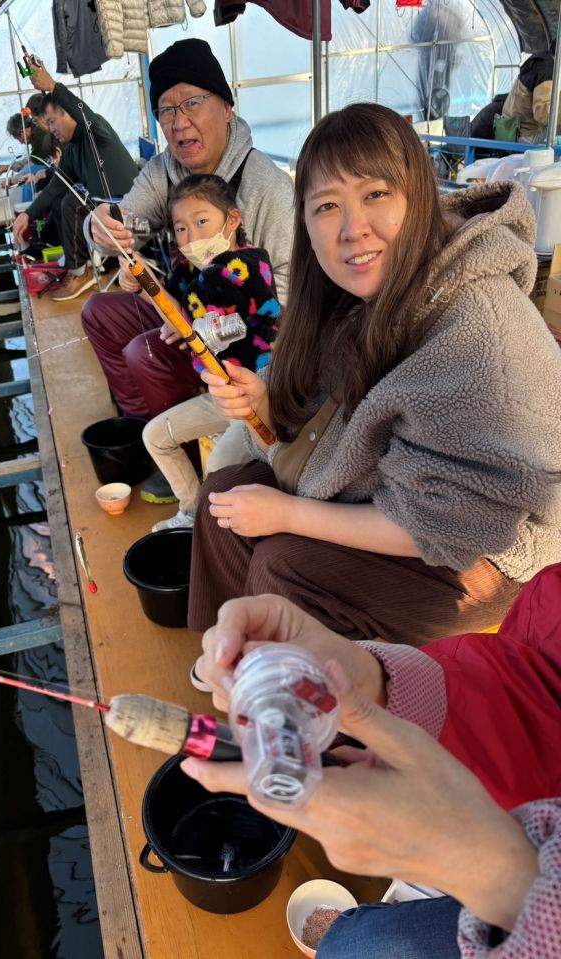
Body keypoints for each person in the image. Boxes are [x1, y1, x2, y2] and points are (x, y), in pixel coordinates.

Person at [188, 102, 561, 646]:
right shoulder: (355, 296)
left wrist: (289, 513)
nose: (352, 229)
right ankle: (226, 653)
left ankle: (282, 692)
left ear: (418, 195)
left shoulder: (480, 335)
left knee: (284, 565)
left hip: (489, 553)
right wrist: (263, 404)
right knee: (222, 496)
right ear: (304, 222)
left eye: (376, 194)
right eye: (327, 205)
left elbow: (453, 521)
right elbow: (332, 424)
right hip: (396, 493)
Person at [184, 578, 561, 957]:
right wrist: (375, 681)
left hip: (522, 893)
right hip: (522, 823)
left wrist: (488, 870)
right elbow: (535, 686)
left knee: (353, 947)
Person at [81, 38, 294, 503]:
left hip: (247, 338)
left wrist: (209, 326)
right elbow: (126, 219)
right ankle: (147, 429)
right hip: (187, 305)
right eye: (166, 111)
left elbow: (289, 290)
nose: (179, 123)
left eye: (192, 103)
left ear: (227, 108)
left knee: (145, 352)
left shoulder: (267, 187)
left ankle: (189, 456)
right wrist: (101, 227)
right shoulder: (163, 171)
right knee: (99, 311)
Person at [133, 174, 280, 532]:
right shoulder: (193, 272)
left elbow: (195, 322)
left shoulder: (244, 267)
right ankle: (190, 512)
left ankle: (211, 529)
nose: (192, 237)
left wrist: (152, 290)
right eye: (181, 229)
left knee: (217, 473)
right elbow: (175, 315)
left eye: (201, 222)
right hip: (222, 394)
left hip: (257, 397)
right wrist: (141, 283)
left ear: (232, 220)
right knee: (155, 436)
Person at [11, 60, 139, 301]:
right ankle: (77, 265)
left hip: (132, 211)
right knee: (63, 199)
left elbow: (84, 113)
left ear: (69, 114)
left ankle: (80, 271)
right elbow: (54, 188)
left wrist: (53, 86)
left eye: (51, 121)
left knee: (72, 202)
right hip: (106, 213)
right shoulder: (71, 151)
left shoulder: (96, 130)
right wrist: (27, 215)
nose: (50, 129)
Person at [501, 40, 559, 143]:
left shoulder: (539, 60)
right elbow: (542, 115)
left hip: (509, 130)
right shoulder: (548, 70)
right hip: (526, 135)